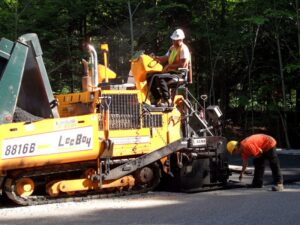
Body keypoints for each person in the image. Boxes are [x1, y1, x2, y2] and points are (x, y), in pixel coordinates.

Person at [148, 28, 191, 107]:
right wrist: (156, 57)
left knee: (160, 78)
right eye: (173, 40)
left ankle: (168, 101)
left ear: (180, 40)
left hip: (179, 74)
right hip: (170, 73)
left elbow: (183, 64)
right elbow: (165, 57)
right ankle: (158, 99)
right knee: (150, 77)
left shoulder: (184, 49)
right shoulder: (172, 48)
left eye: (175, 40)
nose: (173, 41)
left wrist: (169, 66)